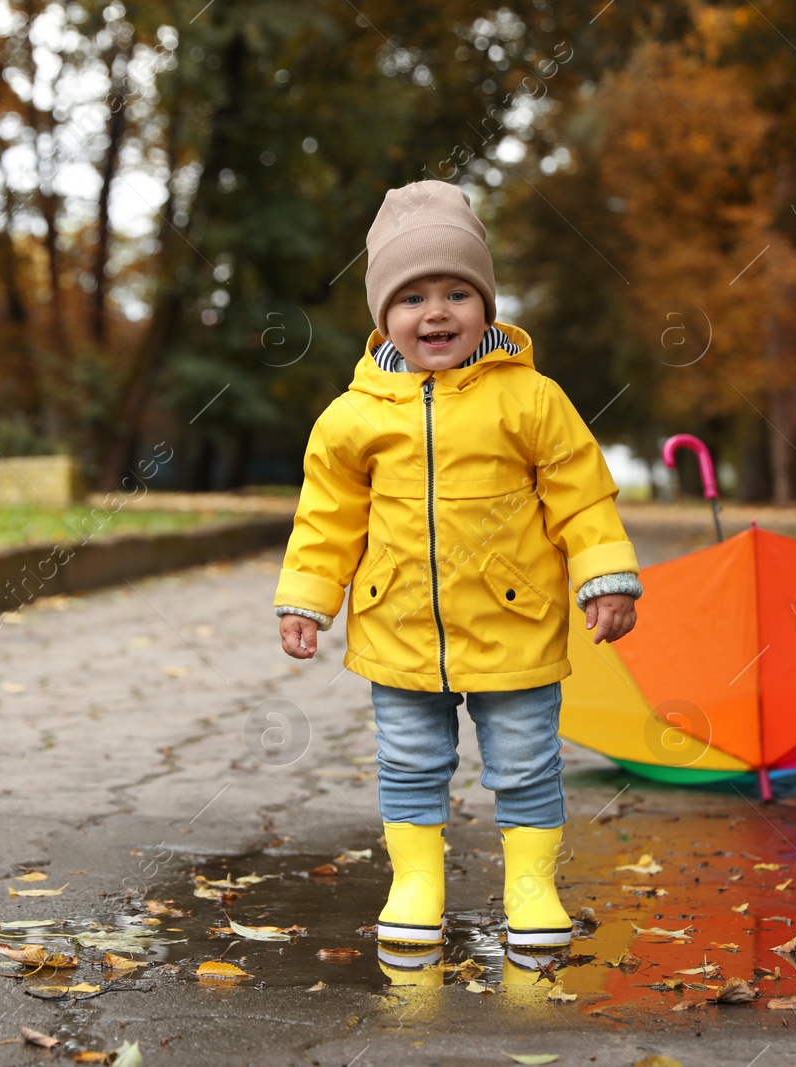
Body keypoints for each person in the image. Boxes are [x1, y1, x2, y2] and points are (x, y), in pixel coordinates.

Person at [273, 179, 641, 962]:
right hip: (398, 625)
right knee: (408, 760)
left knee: (526, 760)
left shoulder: (533, 400)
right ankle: (416, 882)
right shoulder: (353, 416)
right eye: (411, 297)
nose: (435, 312)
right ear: (382, 315)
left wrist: (603, 572)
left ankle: (531, 884)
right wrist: (308, 596)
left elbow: (580, 491)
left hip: (514, 620)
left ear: (486, 304)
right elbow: (327, 515)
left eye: (456, 292)